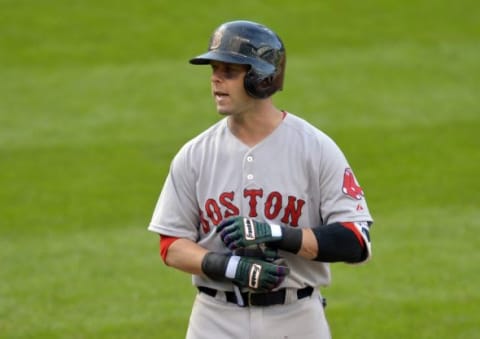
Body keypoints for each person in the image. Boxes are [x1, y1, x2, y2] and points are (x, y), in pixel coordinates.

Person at [148, 20, 373, 339]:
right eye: (214, 69)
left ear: (261, 78)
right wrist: (230, 267)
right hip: (215, 319)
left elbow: (355, 240)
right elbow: (171, 245)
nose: (215, 79)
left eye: (229, 71)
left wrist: (279, 234)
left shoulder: (315, 148)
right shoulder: (195, 154)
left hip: (296, 318)